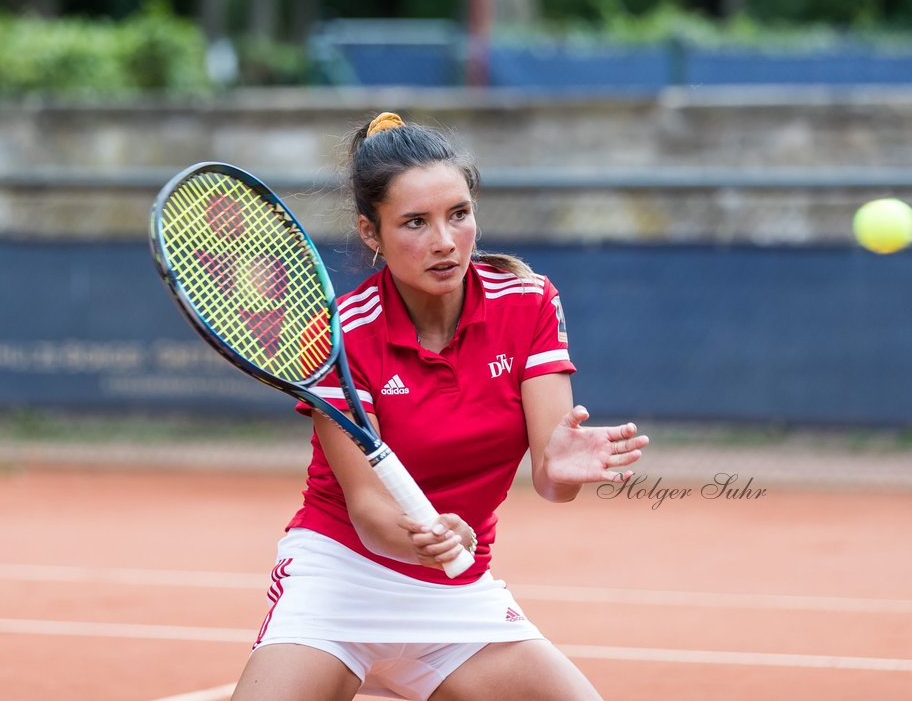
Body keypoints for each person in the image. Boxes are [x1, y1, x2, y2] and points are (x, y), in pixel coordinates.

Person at [232, 112, 648, 701]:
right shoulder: (339, 333)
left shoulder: (527, 303)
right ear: (370, 233)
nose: (445, 242)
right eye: (414, 223)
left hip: (456, 591)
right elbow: (372, 513)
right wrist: (426, 537)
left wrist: (560, 470)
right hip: (343, 578)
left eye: (458, 214)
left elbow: (553, 483)